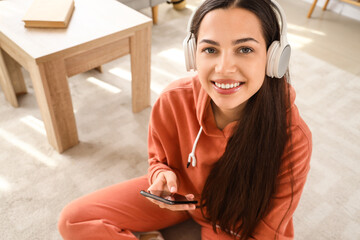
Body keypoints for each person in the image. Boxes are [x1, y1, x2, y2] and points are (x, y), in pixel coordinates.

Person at [58, 0, 312, 239]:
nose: (224, 68)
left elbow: (268, 231)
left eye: (245, 49)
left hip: (235, 223)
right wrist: (161, 175)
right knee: (73, 220)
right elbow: (158, 160)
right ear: (193, 55)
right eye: (210, 49)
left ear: (274, 57)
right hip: (181, 200)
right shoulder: (173, 100)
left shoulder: (294, 137)